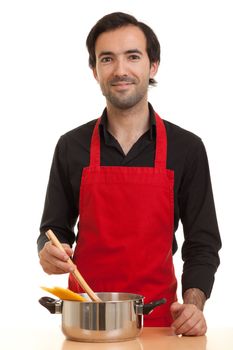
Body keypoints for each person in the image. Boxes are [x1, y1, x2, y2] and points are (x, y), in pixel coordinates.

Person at [38, 12, 221, 336]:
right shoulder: (71, 146)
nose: (120, 70)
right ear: (94, 70)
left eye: (132, 56)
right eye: (107, 59)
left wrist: (193, 305)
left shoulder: (187, 148)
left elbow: (202, 242)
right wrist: (49, 251)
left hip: (160, 325)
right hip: (87, 325)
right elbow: (53, 229)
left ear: (153, 65)